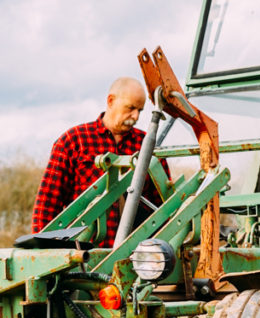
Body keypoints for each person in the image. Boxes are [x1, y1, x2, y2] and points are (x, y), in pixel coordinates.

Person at [32, 77, 163, 246]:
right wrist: (42, 252)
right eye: (130, 108)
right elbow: (47, 206)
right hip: (82, 254)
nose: (136, 116)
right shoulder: (74, 141)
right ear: (111, 101)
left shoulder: (146, 145)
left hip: (135, 256)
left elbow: (162, 206)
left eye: (140, 110)